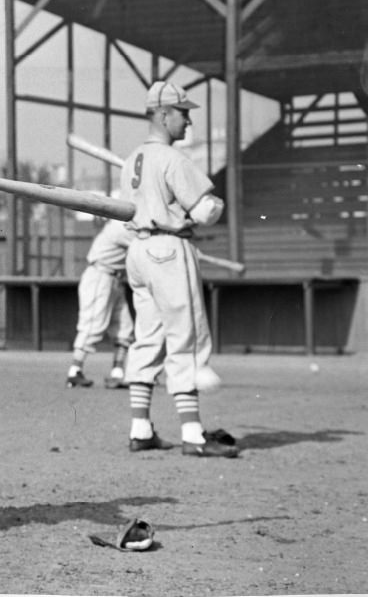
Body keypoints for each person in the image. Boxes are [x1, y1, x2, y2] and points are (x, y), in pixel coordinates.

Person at [119, 81, 238, 458]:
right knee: (185, 336)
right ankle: (193, 435)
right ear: (163, 114)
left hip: (137, 250)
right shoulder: (173, 159)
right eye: (182, 112)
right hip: (170, 247)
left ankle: (140, 429)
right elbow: (205, 212)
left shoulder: (132, 159)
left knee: (148, 336)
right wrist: (214, 204)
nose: (188, 120)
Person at [66, 218, 136, 389]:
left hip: (115, 280)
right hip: (100, 276)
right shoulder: (119, 226)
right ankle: (74, 372)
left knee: (124, 328)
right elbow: (145, 244)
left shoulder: (133, 224)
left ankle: (117, 374)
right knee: (92, 326)